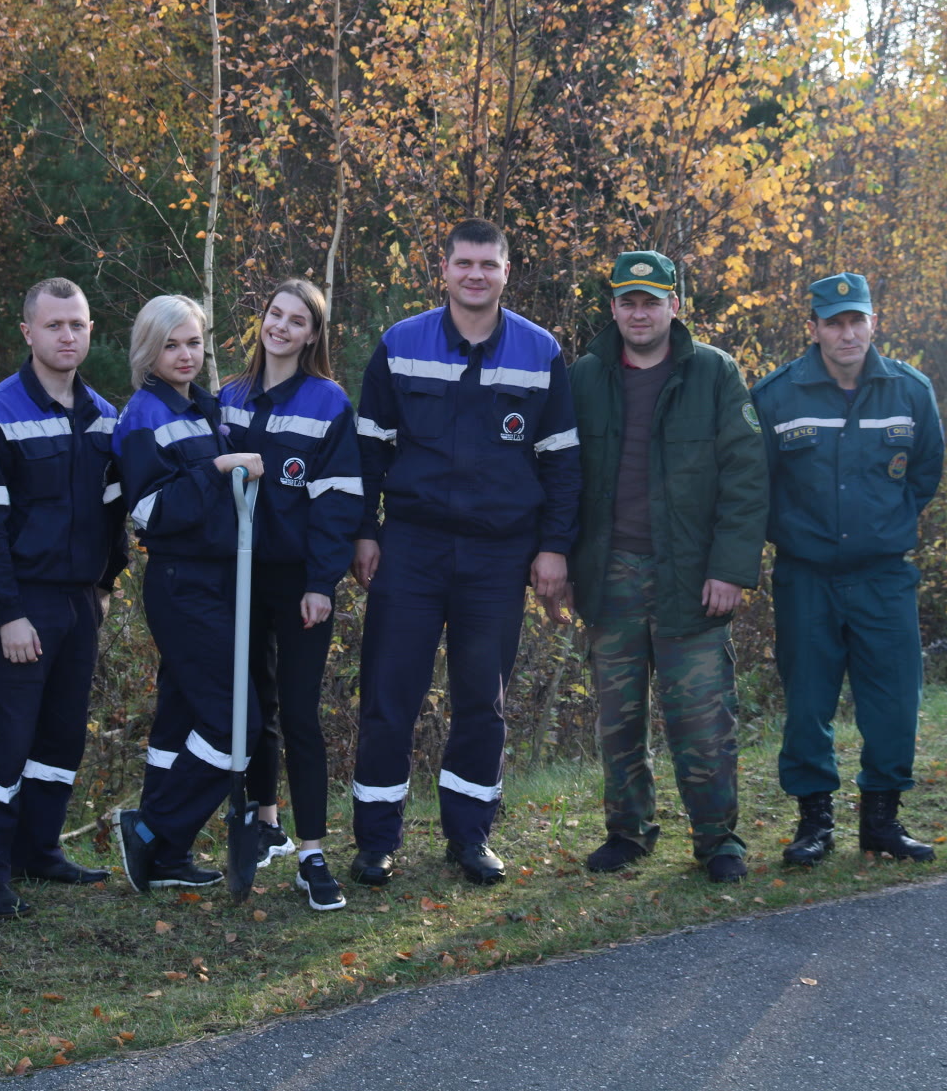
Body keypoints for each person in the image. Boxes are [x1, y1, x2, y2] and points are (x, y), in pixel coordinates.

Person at [349, 218, 582, 887]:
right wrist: (365, 531)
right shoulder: (401, 343)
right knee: (390, 695)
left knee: (483, 699)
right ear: (443, 270)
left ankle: (470, 836)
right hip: (412, 548)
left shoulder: (540, 353)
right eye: (464, 263)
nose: (476, 274)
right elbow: (369, 449)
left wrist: (554, 548)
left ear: (508, 272)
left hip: (499, 555)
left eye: (489, 264)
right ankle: (376, 841)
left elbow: (561, 462)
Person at [560, 251, 768, 883]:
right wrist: (560, 562)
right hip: (610, 573)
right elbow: (560, 479)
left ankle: (717, 840)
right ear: (615, 307)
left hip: (692, 576)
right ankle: (628, 832)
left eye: (653, 301)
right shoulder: (585, 378)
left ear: (675, 306)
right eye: (629, 301)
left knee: (703, 719)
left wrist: (731, 569)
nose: (640, 312)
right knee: (618, 719)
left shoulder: (713, 374)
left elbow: (746, 479)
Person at [749, 273, 943, 865]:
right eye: (833, 322)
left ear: (873, 323)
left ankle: (882, 821)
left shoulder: (910, 392)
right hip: (806, 576)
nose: (847, 332)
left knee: (893, 701)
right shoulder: (777, 395)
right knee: (808, 701)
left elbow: (924, 475)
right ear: (813, 328)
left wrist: (880, 529)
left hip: (884, 576)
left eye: (856, 320)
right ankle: (815, 823)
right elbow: (757, 485)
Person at [0, 278, 127, 917]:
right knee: (4, 740)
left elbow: (115, 516)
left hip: (80, 604)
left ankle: (39, 850)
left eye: (77, 325)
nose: (67, 336)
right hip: (19, 606)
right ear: (27, 332)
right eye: (54, 325)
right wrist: (6, 614)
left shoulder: (107, 417)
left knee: (60, 739)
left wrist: (106, 585)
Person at [219, 279, 363, 911]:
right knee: (251, 710)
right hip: (235, 579)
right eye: (274, 314)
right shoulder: (226, 398)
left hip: (298, 582)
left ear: (312, 335)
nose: (280, 326)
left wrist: (320, 582)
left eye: (296, 320)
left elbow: (338, 502)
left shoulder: (328, 402)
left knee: (300, 715)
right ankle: (261, 822)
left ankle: (311, 852)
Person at [112, 295, 264, 892]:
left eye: (194, 343)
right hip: (182, 584)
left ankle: (164, 857)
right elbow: (148, 510)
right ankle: (152, 829)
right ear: (149, 350)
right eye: (171, 344)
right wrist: (218, 469)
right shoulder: (143, 416)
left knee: (182, 719)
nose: (185, 355)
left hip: (222, 579)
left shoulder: (206, 407)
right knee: (237, 721)